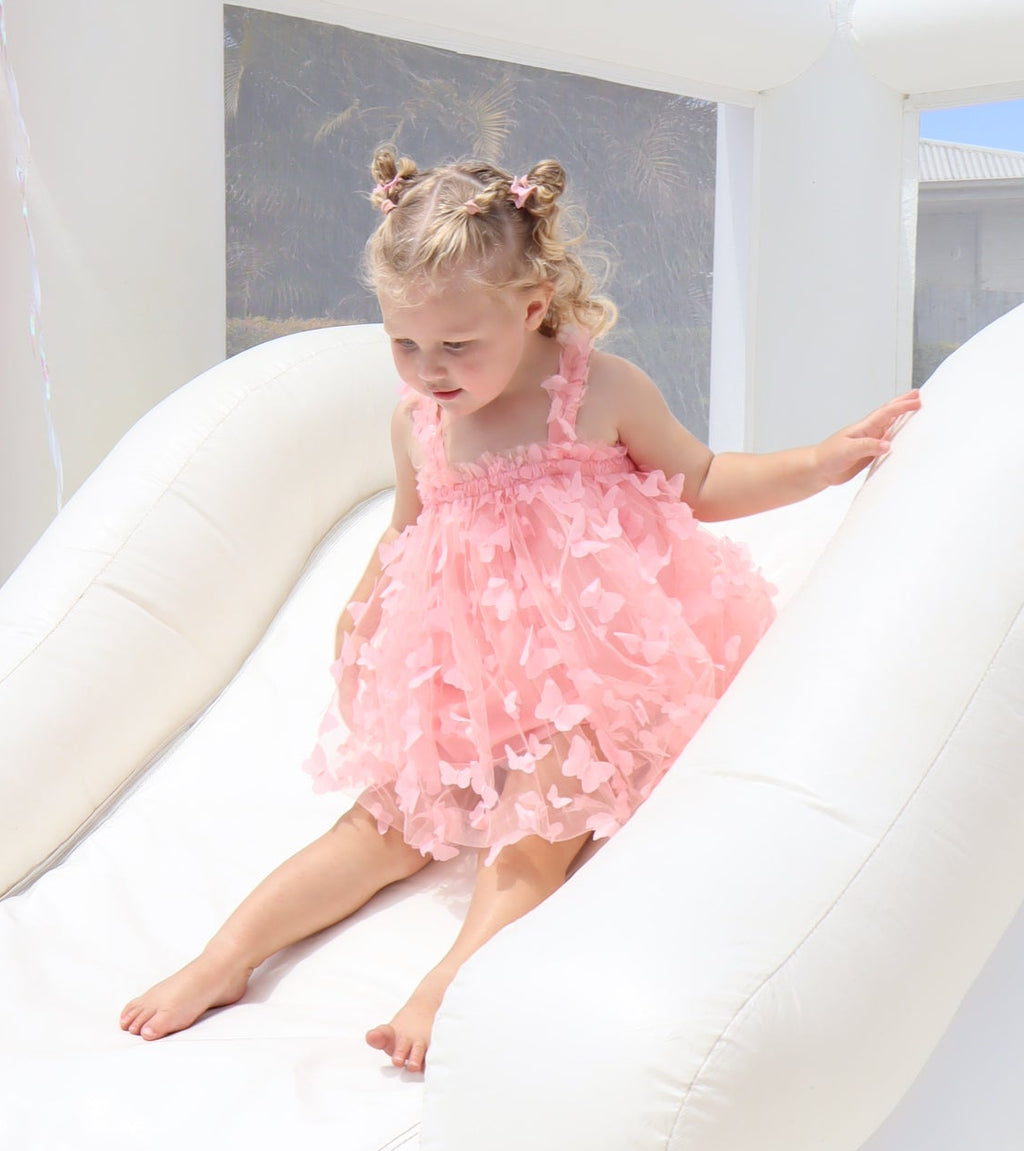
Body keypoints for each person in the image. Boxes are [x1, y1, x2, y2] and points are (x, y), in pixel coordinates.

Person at [120, 147, 919, 1071]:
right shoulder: (418, 419)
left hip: (594, 676)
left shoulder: (597, 391)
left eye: (457, 345)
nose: (430, 368)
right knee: (379, 827)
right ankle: (224, 959)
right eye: (404, 345)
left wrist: (816, 462)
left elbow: (698, 479)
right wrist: (364, 612)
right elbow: (408, 530)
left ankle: (450, 977)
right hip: (469, 672)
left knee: (534, 834)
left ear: (532, 307)